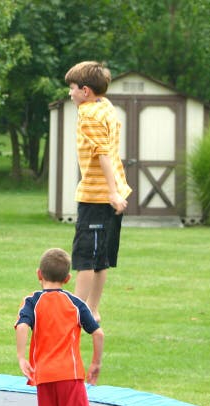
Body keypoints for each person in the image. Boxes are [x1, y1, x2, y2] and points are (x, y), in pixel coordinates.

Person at [15, 248, 104, 406]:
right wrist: (95, 363)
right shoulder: (75, 303)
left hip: (43, 375)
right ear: (67, 278)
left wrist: (21, 357)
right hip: (69, 373)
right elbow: (98, 333)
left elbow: (22, 326)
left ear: (39, 274)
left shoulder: (32, 301)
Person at [65, 61, 132, 323]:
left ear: (85, 91)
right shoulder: (105, 106)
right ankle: (92, 309)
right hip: (110, 192)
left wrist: (112, 193)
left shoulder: (88, 114)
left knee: (84, 256)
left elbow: (102, 153)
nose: (69, 94)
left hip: (97, 195)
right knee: (101, 256)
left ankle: (77, 312)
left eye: (72, 88)